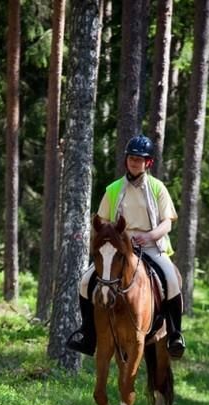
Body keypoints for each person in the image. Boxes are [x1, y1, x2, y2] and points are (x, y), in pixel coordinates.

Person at [67, 134, 185, 359]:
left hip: (151, 246)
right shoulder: (113, 189)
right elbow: (102, 220)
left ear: (148, 162)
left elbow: (167, 222)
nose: (134, 162)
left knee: (171, 280)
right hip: (118, 248)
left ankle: (174, 334)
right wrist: (114, 239)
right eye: (131, 158)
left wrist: (149, 236)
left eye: (139, 159)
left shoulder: (158, 188)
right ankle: (87, 333)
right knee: (85, 281)